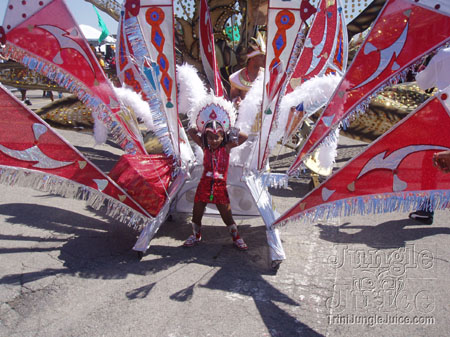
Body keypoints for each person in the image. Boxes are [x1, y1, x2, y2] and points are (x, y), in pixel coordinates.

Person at [184, 120, 249, 250]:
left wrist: (229, 128)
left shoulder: (227, 147)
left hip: (220, 188)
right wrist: (200, 127)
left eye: (217, 137)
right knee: (196, 213)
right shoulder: (204, 146)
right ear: (205, 137)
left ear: (223, 137)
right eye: (210, 137)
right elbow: (190, 132)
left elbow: (244, 136)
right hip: (204, 186)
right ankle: (196, 235)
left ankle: (236, 237)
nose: (213, 141)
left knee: (227, 216)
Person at [408, 47, 450, 225]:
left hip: (445, 114)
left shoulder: (444, 55)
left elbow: (424, 84)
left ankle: (426, 208)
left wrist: (422, 71)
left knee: (432, 160)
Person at [229, 32, 266, 106]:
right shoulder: (236, 78)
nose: (265, 59)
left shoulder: (267, 75)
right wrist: (236, 101)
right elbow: (233, 98)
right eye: (261, 56)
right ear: (252, 58)